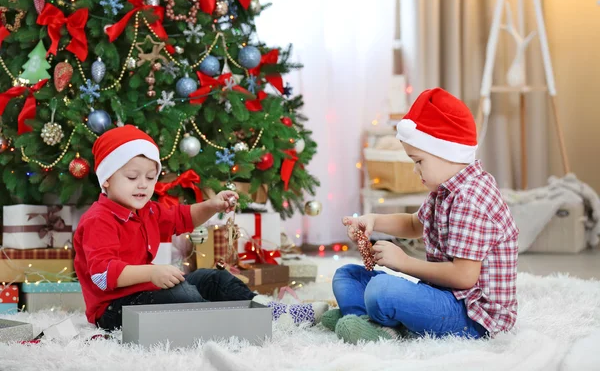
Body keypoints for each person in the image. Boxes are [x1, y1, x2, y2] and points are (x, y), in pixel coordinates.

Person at [74, 125, 326, 330]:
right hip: (112, 310)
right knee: (182, 295)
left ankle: (270, 313)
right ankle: (238, 323)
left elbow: (181, 217)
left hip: (146, 290)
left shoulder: (146, 210)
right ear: (106, 179)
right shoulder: (99, 220)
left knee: (214, 278)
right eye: (132, 177)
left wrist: (212, 205)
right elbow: (102, 275)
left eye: (150, 178)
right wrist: (151, 274)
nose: (142, 185)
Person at [322, 88, 519, 344]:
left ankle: (378, 327)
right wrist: (373, 219)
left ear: (446, 153)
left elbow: (464, 276)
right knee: (347, 275)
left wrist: (404, 262)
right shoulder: (445, 189)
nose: (416, 170)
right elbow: (415, 223)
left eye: (418, 161)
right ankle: (363, 322)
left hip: (472, 317)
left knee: (382, 290)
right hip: (442, 296)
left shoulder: (470, 198)